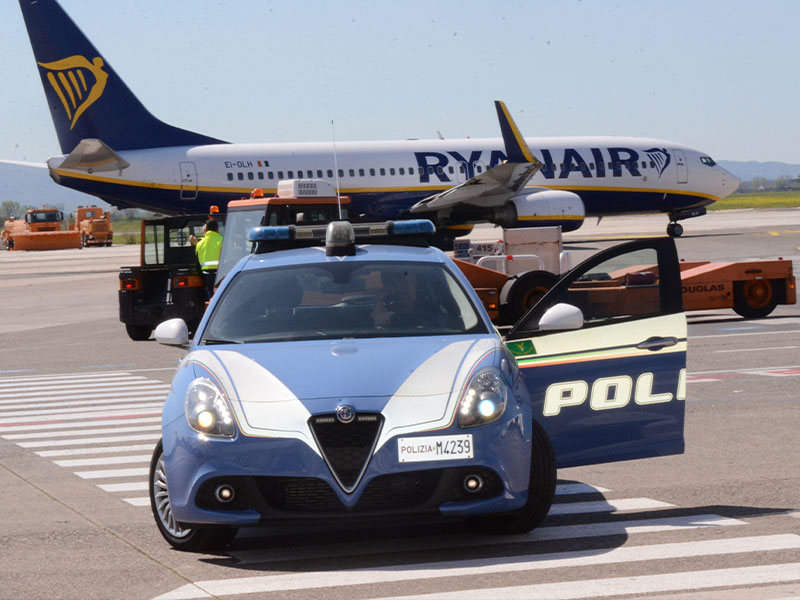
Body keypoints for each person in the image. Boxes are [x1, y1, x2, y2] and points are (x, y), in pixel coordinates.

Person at [190, 219, 223, 298]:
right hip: (221, 274)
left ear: (206, 230)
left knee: (212, 298)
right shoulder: (222, 240)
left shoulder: (199, 244)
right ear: (217, 229)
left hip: (208, 276)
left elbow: (197, 265)